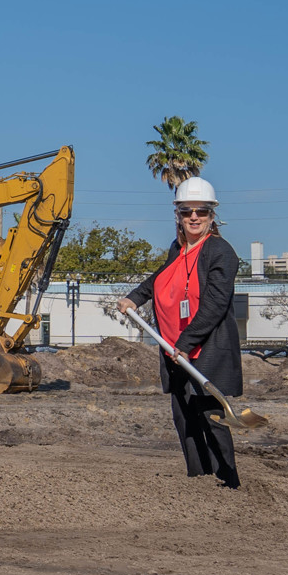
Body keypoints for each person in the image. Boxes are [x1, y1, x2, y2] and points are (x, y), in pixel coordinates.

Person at [117, 177, 243, 489]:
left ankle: (227, 481)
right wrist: (134, 297)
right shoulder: (178, 249)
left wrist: (186, 343)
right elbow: (159, 280)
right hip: (175, 349)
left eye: (201, 211)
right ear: (179, 215)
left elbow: (215, 304)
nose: (194, 217)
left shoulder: (221, 252)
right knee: (184, 416)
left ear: (212, 215)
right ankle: (198, 482)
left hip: (206, 349)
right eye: (187, 212)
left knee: (211, 414)